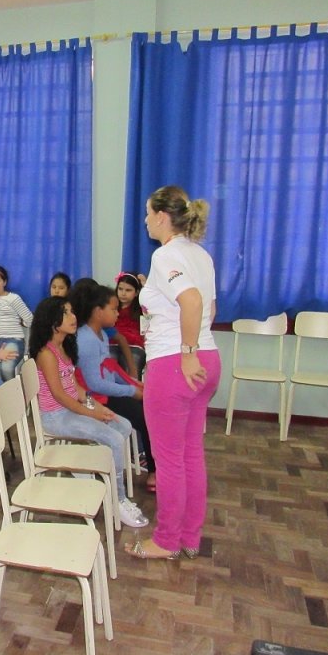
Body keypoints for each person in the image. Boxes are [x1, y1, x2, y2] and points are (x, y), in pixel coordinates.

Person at [126, 185, 221, 561]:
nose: (145, 220)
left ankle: (165, 541)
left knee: (168, 461)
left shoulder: (166, 255)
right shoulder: (200, 255)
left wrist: (185, 352)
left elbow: (193, 301)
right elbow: (209, 308)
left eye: (148, 213)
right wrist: (195, 349)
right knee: (190, 455)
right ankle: (188, 537)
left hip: (175, 365)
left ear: (162, 217)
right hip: (207, 361)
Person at [28, 297, 149, 529]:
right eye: (66, 313)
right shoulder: (46, 353)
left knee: (122, 425)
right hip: (55, 416)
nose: (73, 317)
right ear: (52, 321)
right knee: (112, 438)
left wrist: (95, 406)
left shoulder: (64, 346)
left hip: (71, 408)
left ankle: (91, 466)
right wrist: (91, 414)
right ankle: (118, 499)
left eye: (72, 312)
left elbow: (76, 388)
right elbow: (59, 396)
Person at [74, 284, 157, 494]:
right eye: (113, 309)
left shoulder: (100, 334)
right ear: (98, 311)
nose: (117, 313)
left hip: (104, 393)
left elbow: (108, 373)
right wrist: (131, 391)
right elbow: (94, 384)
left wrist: (132, 385)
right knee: (145, 417)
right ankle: (154, 471)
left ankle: (156, 466)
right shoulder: (86, 339)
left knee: (149, 407)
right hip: (93, 399)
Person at [114, 271, 148, 378]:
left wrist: (146, 287)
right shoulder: (110, 305)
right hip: (112, 343)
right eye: (120, 289)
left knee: (131, 374)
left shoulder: (141, 308)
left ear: (137, 293)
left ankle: (132, 393)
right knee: (108, 371)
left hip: (134, 346)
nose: (123, 293)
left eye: (128, 290)